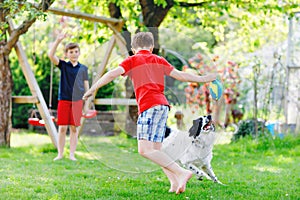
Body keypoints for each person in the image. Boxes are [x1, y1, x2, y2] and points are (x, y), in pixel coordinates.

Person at [83, 32, 217, 194]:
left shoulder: (132, 60)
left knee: (144, 150)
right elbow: (181, 76)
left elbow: (112, 74)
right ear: (152, 47)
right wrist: (205, 78)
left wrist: (92, 89)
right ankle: (175, 183)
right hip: (162, 106)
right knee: (156, 150)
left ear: (133, 49)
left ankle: (181, 173)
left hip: (149, 106)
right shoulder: (159, 59)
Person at [48, 32, 89, 161]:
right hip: (64, 100)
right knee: (62, 128)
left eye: (76, 51)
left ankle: (72, 154)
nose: (73, 54)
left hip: (77, 101)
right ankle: (60, 154)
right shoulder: (63, 66)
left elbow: (86, 86)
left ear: (79, 53)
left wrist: (87, 103)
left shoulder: (83, 68)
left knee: (74, 129)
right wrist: (58, 40)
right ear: (66, 54)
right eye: (71, 52)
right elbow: (50, 55)